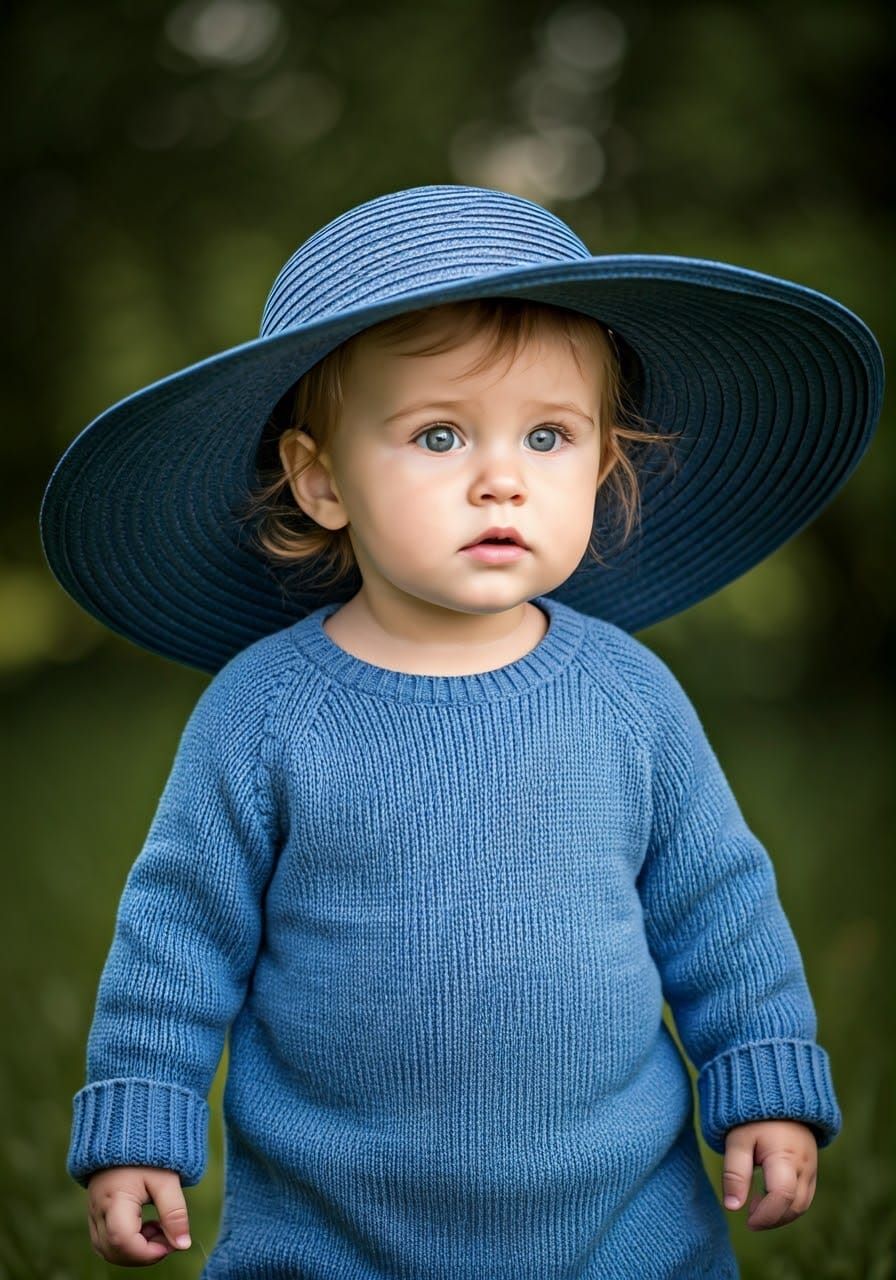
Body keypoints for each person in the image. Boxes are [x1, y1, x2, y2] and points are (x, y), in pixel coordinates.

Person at [41, 185, 883, 1278]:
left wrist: (763, 1080)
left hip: (618, 1220)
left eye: (547, 434)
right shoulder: (263, 710)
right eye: (438, 433)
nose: (501, 477)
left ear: (599, 462)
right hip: (330, 1223)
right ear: (321, 477)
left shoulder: (626, 694)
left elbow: (716, 902)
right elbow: (179, 931)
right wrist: (140, 1118)